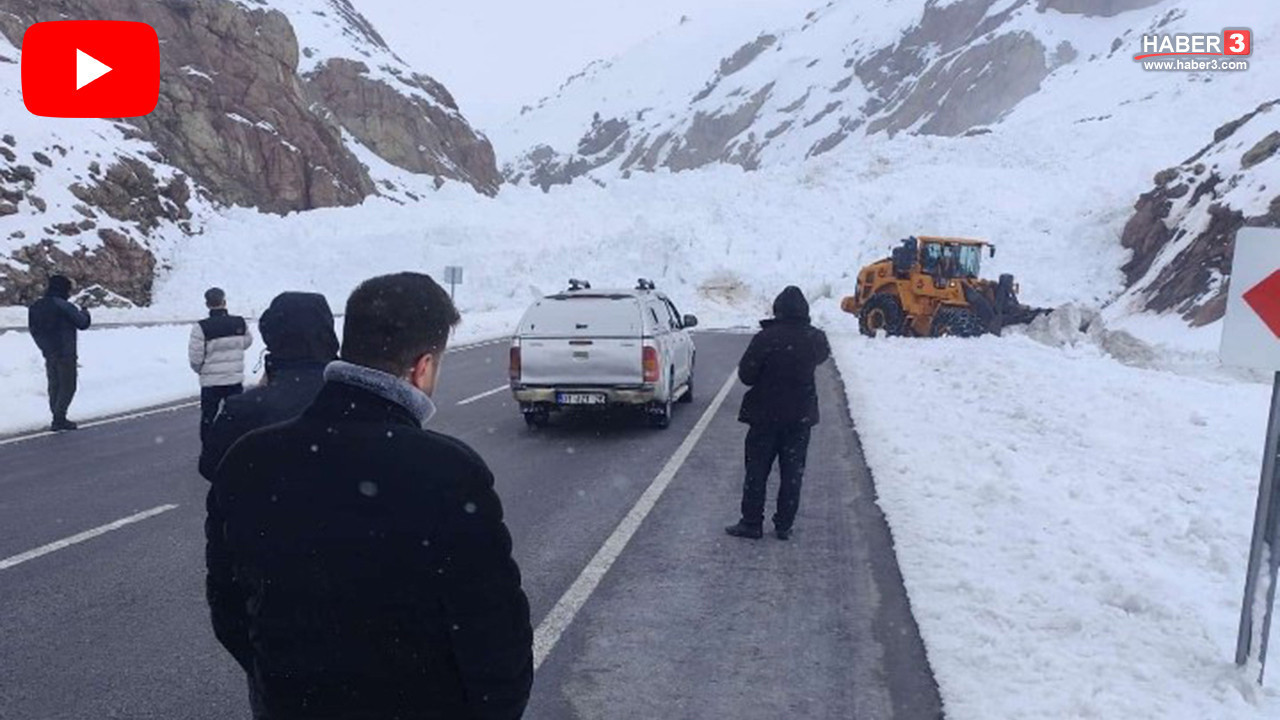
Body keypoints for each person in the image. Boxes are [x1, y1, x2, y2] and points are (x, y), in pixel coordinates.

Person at [206, 272, 533, 720]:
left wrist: (287, 681)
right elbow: (495, 635)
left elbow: (229, 609)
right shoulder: (449, 471)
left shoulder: (250, 458)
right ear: (423, 367)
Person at [725, 286, 831, 541]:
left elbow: (747, 376)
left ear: (778, 310)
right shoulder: (815, 338)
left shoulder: (766, 338)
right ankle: (784, 524)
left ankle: (751, 522)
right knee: (792, 473)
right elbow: (822, 356)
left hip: (764, 415)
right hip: (800, 417)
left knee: (757, 471)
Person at [198, 291, 339, 480]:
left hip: (269, 505)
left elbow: (210, 466)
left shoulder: (246, 409)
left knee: (208, 414)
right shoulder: (359, 397)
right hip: (343, 507)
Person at [27, 274, 91, 431]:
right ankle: (59, 418)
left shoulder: (36, 305)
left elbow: (33, 329)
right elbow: (82, 323)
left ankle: (56, 415)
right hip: (65, 351)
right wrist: (85, 310)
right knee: (68, 385)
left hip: (48, 351)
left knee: (54, 384)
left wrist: (44, 347)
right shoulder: (64, 305)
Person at [189, 287, 253, 444]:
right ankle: (235, 446)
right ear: (224, 301)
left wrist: (202, 371)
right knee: (236, 415)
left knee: (208, 417)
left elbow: (195, 357)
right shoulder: (239, 322)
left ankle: (209, 448)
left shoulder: (201, 327)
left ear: (207, 304)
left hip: (211, 382)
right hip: (234, 379)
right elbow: (247, 342)